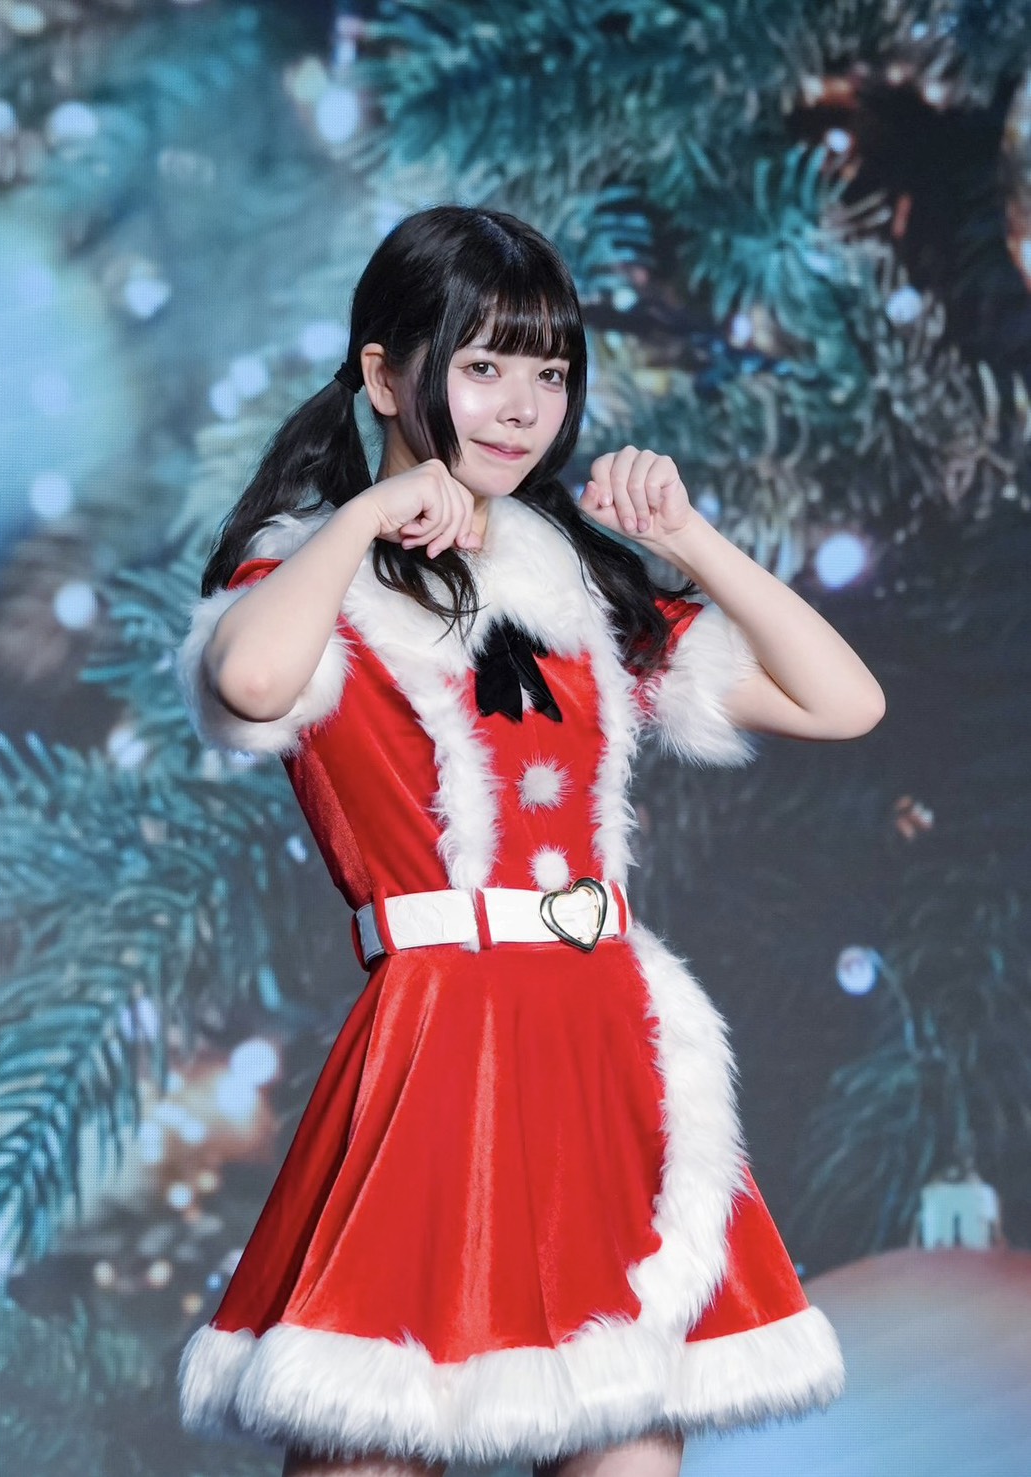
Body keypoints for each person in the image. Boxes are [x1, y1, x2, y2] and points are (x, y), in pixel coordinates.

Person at [176, 205, 884, 1477]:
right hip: (436, 1052)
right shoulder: (313, 577)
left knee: (626, 1440)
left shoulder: (580, 586)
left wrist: (685, 541)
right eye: (483, 364)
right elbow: (251, 683)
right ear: (384, 374)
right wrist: (363, 517)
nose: (521, 407)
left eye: (549, 373)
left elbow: (844, 702)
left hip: (604, 1055)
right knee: (371, 1430)